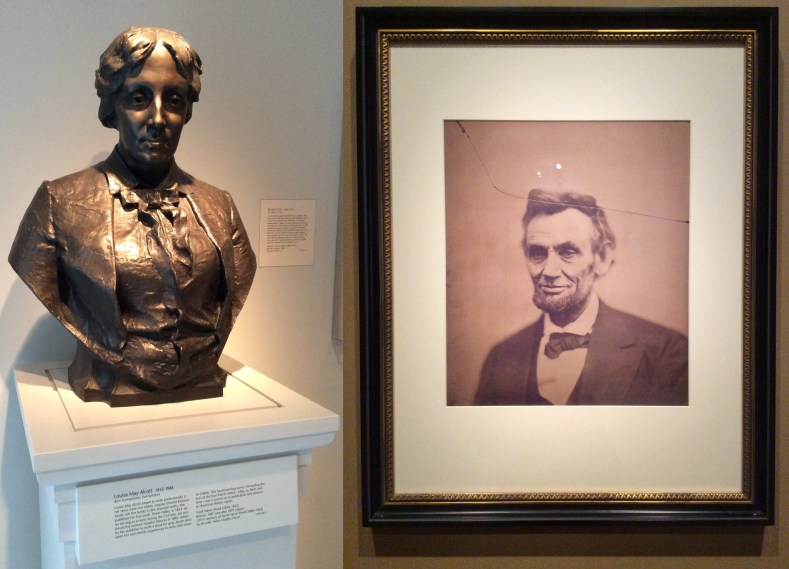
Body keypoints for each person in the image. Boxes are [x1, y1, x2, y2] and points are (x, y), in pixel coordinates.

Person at [8, 28, 257, 406]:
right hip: (102, 381)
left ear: (187, 110)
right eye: (138, 98)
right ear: (112, 106)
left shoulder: (220, 207)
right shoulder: (58, 203)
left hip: (204, 381)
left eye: (173, 99)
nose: (157, 118)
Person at [474, 189, 688, 406]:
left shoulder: (664, 351)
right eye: (537, 253)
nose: (549, 271)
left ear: (602, 258)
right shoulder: (500, 358)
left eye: (568, 252)